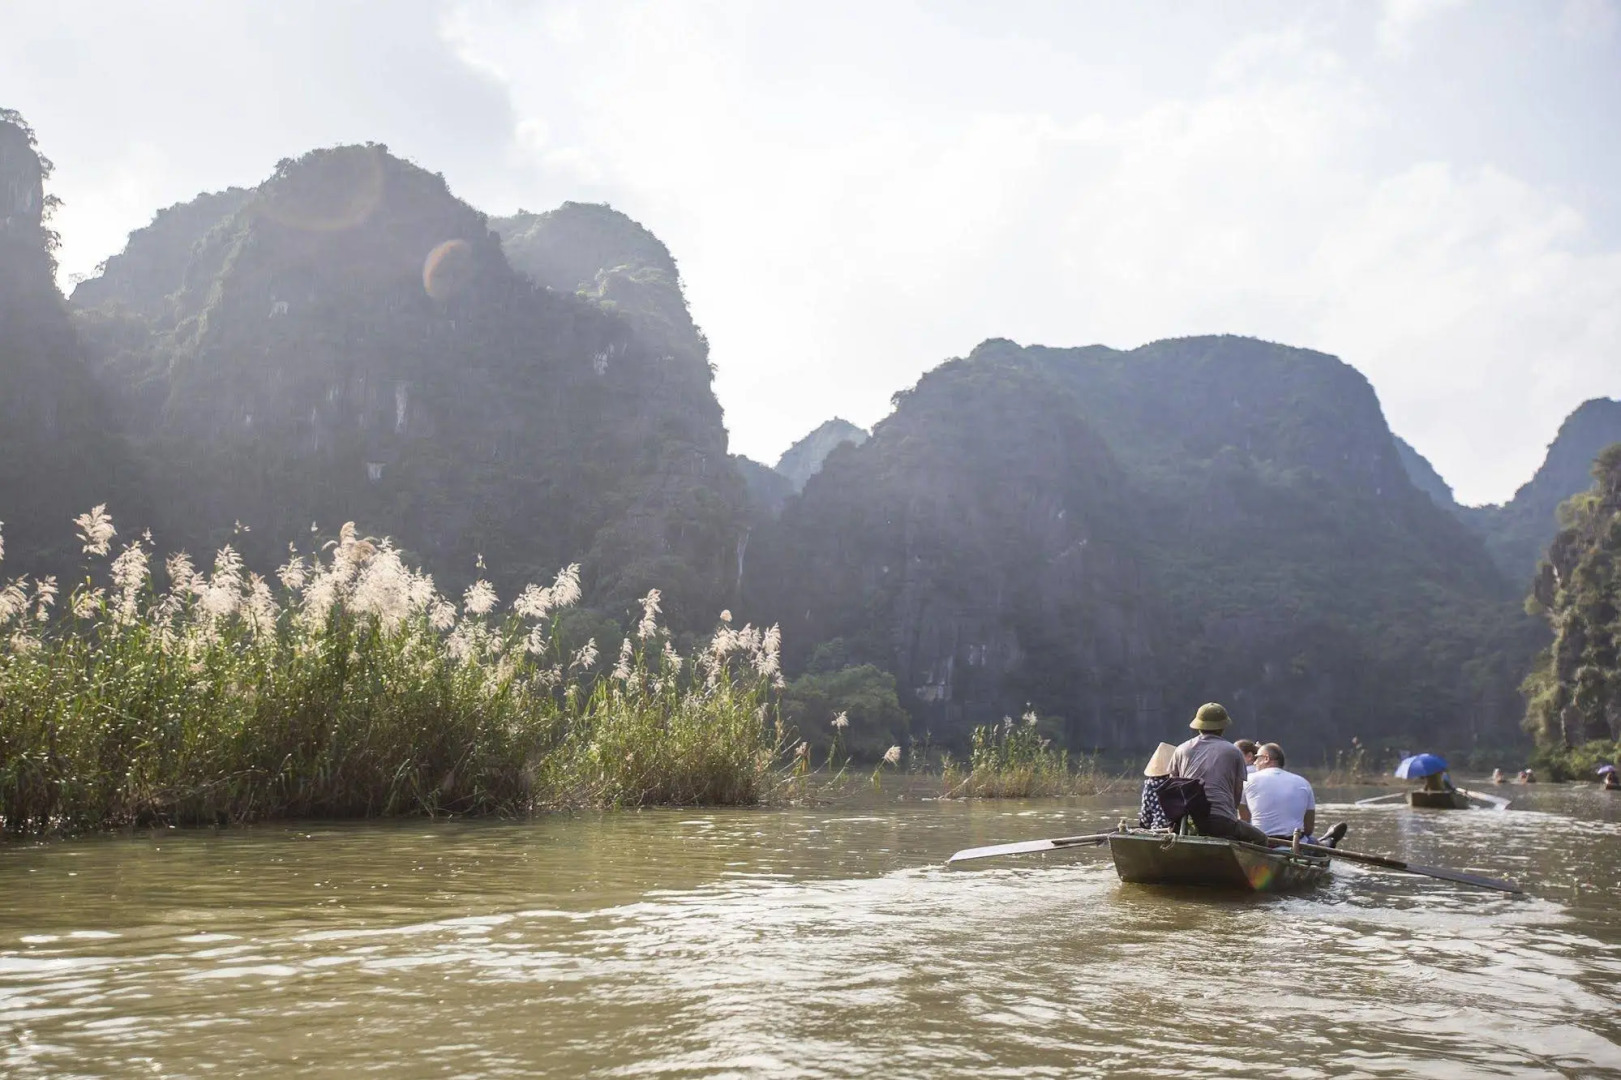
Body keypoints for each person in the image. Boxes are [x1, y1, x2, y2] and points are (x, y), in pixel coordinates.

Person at [1168, 703, 1271, 845]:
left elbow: (1173, 788)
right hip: (1221, 820)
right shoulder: (1233, 752)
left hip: (1187, 822)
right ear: (1223, 727)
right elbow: (1237, 793)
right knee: (1261, 838)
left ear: (1199, 727)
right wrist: (1229, 816)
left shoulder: (1181, 749)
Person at [1241, 743, 1347, 848]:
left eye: (1257, 758)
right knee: (1310, 840)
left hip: (1262, 845)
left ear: (1266, 758)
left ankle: (1323, 842)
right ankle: (1325, 843)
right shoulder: (1303, 782)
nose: (1254, 763)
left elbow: (1243, 821)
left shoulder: (1247, 780)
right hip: (1295, 845)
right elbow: (1308, 829)